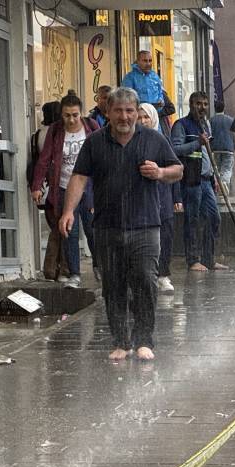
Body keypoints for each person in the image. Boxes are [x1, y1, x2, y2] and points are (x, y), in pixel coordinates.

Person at [59, 87, 183, 362]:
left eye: (130, 111)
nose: (124, 117)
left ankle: (144, 340)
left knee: (145, 282)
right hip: (107, 226)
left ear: (137, 113)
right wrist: (68, 211)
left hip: (146, 225)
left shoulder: (153, 140)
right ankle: (121, 342)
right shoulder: (95, 142)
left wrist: (161, 172)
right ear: (108, 113)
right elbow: (79, 177)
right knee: (113, 285)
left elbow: (178, 170)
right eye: (118, 111)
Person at [31, 92, 101, 289]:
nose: (71, 119)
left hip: (88, 188)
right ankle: (74, 273)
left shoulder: (92, 128)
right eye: (67, 115)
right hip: (62, 188)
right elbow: (44, 160)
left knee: (93, 230)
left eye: (75, 115)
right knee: (68, 231)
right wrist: (36, 186)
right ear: (61, 115)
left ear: (81, 113)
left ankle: (100, 266)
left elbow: (103, 156)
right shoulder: (55, 131)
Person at [171, 91, 226, 272]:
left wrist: (213, 176)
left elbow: (208, 154)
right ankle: (193, 260)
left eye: (204, 104)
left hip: (206, 180)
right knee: (192, 220)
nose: (201, 107)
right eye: (198, 104)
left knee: (213, 217)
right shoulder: (181, 125)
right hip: (190, 181)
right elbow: (176, 150)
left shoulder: (206, 125)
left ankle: (209, 259)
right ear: (191, 104)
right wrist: (197, 144)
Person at [140, 102, 181, 293]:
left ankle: (163, 275)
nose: (142, 121)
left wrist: (176, 198)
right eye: (139, 117)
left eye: (146, 117)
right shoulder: (131, 142)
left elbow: (176, 168)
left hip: (162, 198)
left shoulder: (162, 141)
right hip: (140, 201)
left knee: (165, 237)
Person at [28, 101, 64, 280]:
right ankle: (53, 268)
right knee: (60, 228)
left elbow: (36, 160)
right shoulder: (55, 133)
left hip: (42, 184)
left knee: (56, 225)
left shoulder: (37, 135)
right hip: (55, 183)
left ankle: (55, 267)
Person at [209, 100, 235, 191]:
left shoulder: (211, 120)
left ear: (214, 108)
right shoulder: (231, 120)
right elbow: (234, 135)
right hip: (228, 148)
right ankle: (224, 182)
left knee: (217, 168)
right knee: (227, 168)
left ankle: (217, 187)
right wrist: (233, 146)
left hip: (214, 148)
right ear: (224, 108)